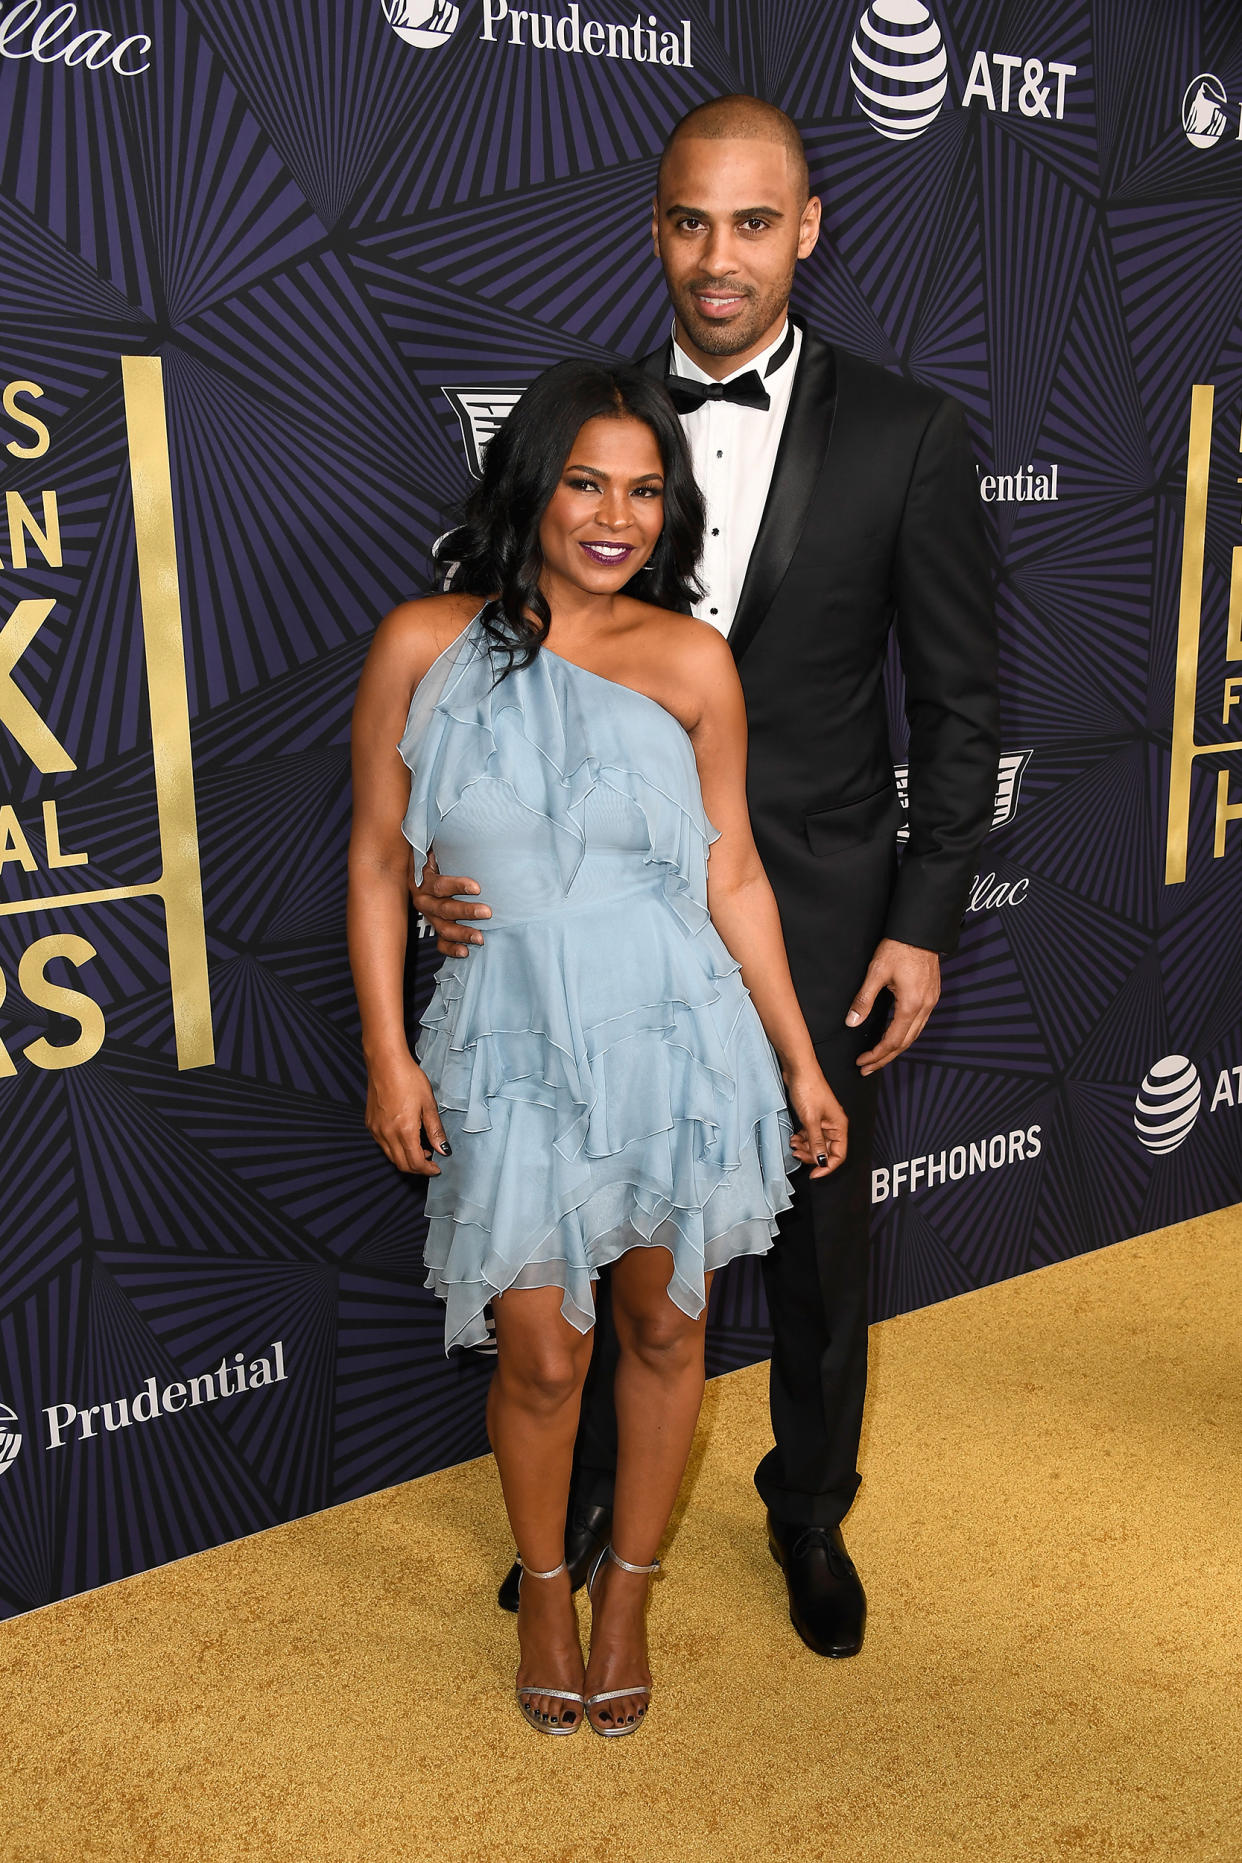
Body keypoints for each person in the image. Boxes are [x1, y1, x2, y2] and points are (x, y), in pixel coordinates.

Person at [412, 97, 1000, 1662]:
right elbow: (476, 691)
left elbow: (958, 706)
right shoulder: (596, 430)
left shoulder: (906, 433)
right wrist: (440, 874)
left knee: (809, 1231)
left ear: (807, 230)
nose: (718, 257)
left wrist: (922, 925)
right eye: (690, 222)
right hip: (587, 927)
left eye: (753, 223)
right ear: (654, 227)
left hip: (793, 896)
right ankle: (590, 1502)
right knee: (600, 1229)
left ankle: (807, 1509)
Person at [348, 358, 847, 1735]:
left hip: (679, 1046)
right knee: (542, 1355)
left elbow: (732, 872)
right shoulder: (420, 643)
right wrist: (390, 1055)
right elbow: (380, 865)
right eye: (584, 481)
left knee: (660, 1324)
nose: (613, 514)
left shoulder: (692, 661)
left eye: (642, 489)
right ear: (533, 486)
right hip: (509, 1048)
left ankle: (626, 1588)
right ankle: (547, 1586)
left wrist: (800, 1063)